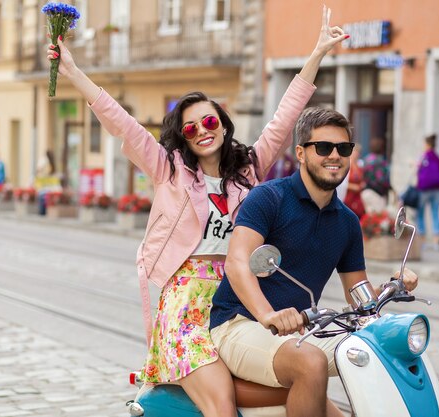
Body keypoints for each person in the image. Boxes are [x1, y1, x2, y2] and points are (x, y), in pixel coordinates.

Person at [47, 6, 349, 416]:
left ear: (223, 124)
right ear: (183, 139)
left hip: (240, 297)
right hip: (188, 302)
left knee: (301, 389)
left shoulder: (250, 169)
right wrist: (74, 73)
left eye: (209, 121)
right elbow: (121, 123)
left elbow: (285, 117)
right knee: (222, 407)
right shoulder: (168, 169)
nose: (202, 131)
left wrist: (317, 54)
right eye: (190, 128)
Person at [210, 107, 418, 417]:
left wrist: (393, 284)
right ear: (301, 153)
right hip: (239, 324)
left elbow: (358, 298)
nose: (335, 155)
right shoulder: (269, 198)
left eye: (343, 148)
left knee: (379, 350)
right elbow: (238, 262)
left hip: (298, 334)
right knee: (311, 361)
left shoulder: (347, 223)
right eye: (323, 147)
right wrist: (268, 315)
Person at [416, 134, 439, 250]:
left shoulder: (424, 156)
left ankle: (422, 241)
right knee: (436, 213)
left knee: (420, 213)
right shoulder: (438, 158)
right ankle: (436, 242)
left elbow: (418, 169)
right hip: (437, 189)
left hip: (424, 189)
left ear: (427, 144)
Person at [361, 136, 390, 213]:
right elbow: (382, 179)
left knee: (370, 219)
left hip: (366, 191)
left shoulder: (366, 159)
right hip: (377, 193)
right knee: (380, 219)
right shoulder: (380, 161)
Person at [343, 144, 365, 219]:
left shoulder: (359, 165)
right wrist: (353, 187)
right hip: (348, 196)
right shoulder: (346, 165)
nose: (356, 154)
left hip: (357, 197)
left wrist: (362, 185)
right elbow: (341, 183)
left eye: (358, 153)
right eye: (355, 152)